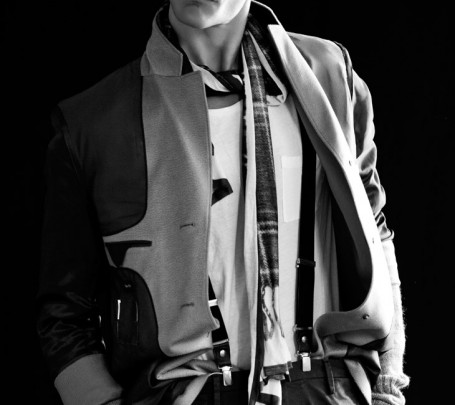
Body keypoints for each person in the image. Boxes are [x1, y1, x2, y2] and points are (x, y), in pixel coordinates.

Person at [36, 0, 410, 404]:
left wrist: (388, 384)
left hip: (328, 387)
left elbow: (374, 232)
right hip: (184, 393)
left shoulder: (330, 75)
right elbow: (65, 313)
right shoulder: (94, 122)